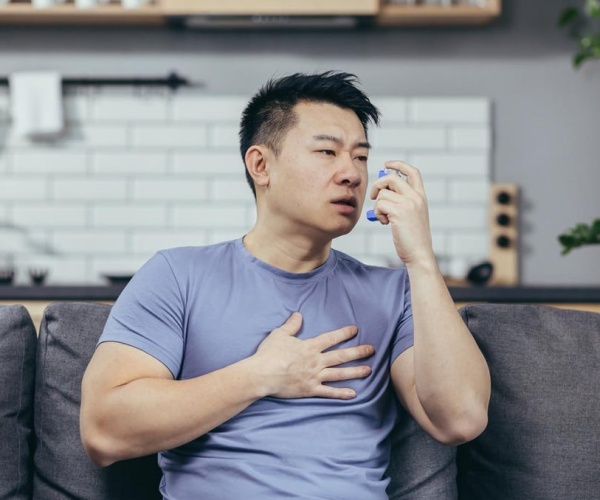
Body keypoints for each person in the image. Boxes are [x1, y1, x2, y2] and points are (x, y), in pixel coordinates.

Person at [80, 71, 491, 499]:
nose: (350, 173)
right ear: (261, 165)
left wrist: (421, 259)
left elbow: (459, 420)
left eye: (361, 157)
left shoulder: (396, 292)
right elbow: (104, 432)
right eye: (327, 152)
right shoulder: (176, 276)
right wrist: (261, 375)